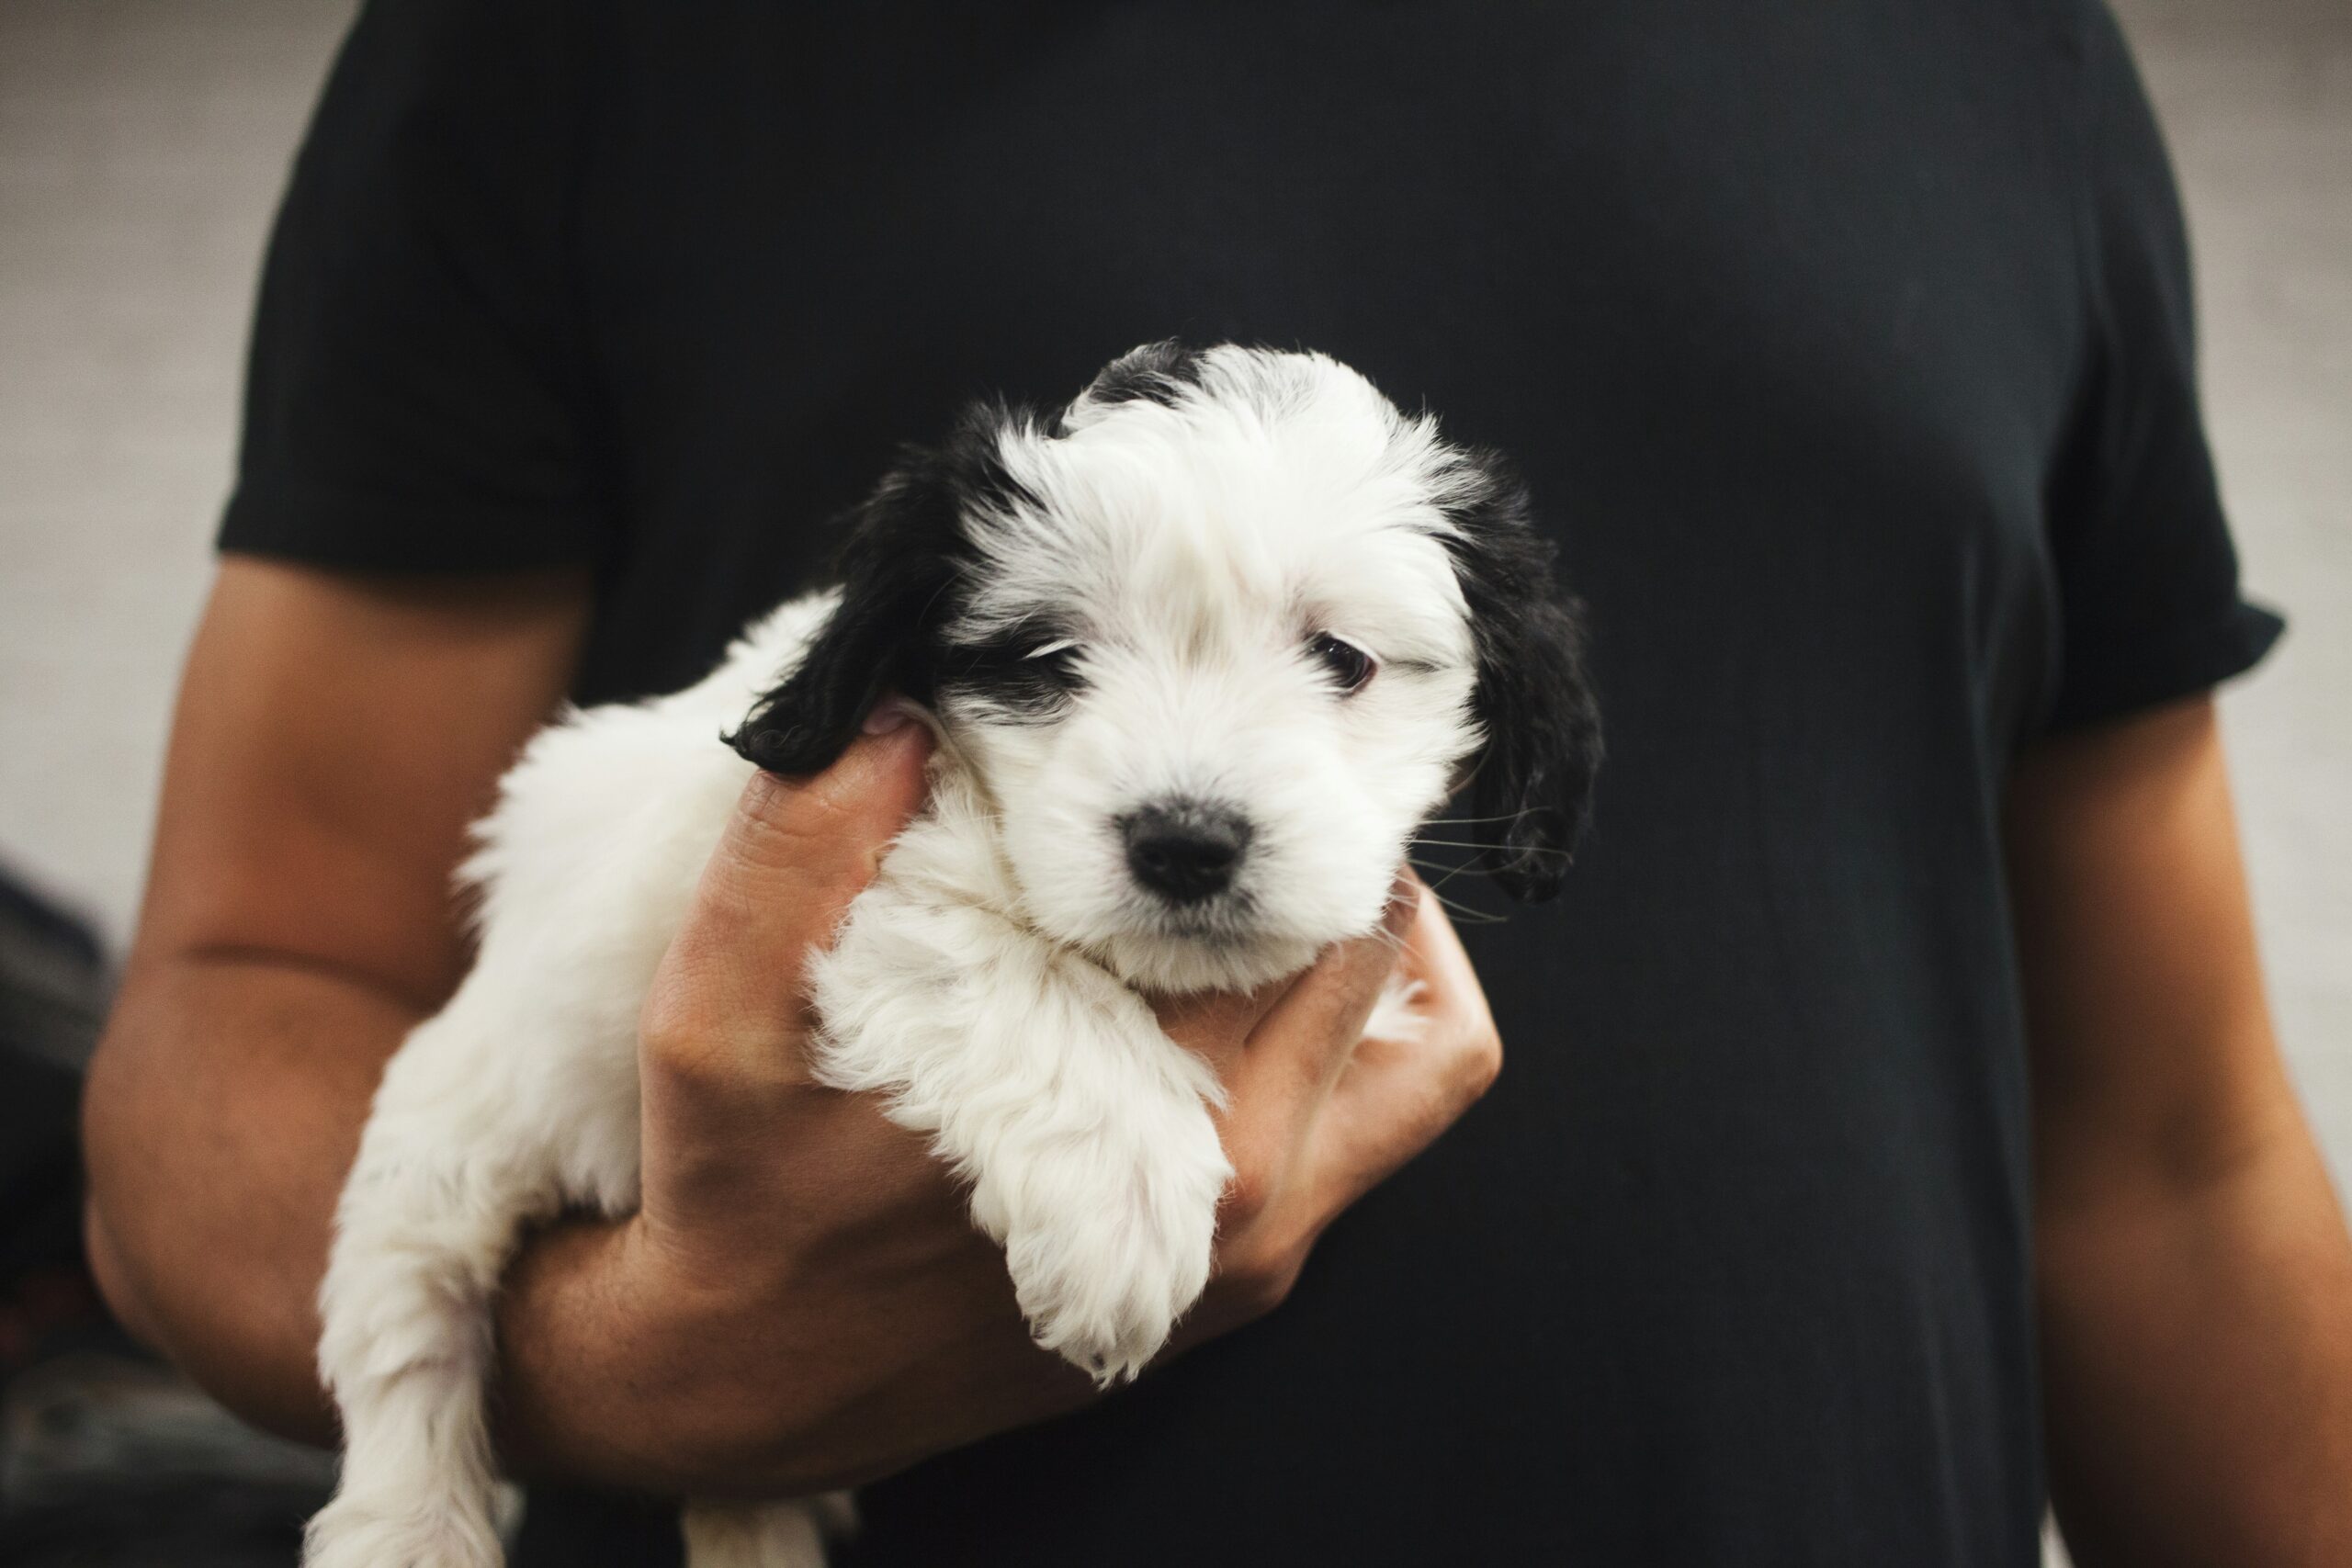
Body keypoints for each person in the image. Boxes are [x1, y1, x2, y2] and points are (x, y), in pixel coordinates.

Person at [80, 2, 2352, 1563]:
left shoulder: (2006, 57)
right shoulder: (569, 41)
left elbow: (2172, 1156)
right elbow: (247, 992)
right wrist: (637, 1363)